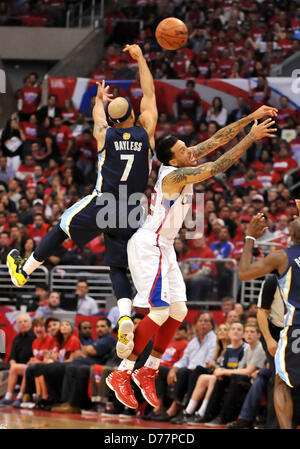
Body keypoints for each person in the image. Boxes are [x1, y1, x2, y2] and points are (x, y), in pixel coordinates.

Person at [105, 105, 277, 411]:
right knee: (159, 311)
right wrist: (251, 137)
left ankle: (149, 369)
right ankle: (121, 373)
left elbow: (217, 140)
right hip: (149, 244)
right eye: (185, 150)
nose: (191, 151)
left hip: (165, 246)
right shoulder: (175, 176)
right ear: (174, 159)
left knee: (180, 311)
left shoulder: (180, 161)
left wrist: (250, 118)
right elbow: (219, 164)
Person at [7, 43, 158, 361]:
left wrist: (101, 101)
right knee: (117, 266)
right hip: (133, 208)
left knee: (62, 224)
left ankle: (25, 270)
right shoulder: (147, 131)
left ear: (112, 120)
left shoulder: (106, 133)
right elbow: (150, 92)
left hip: (105, 202)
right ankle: (126, 315)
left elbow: (96, 118)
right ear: (133, 114)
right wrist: (142, 59)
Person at [237, 208, 300, 429]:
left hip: (295, 329)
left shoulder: (282, 256)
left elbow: (243, 272)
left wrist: (250, 237)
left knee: (282, 383)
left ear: (291, 236)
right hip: (285, 328)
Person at [203, 323, 266, 427]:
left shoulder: (259, 348)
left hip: (258, 380)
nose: (249, 334)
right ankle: (208, 415)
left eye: (252, 332)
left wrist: (223, 371)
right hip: (249, 377)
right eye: (247, 332)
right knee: (222, 378)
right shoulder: (248, 348)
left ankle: (224, 417)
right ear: (244, 335)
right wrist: (223, 372)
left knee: (234, 378)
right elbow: (240, 369)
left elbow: (248, 371)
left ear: (258, 335)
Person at [0, 314, 35, 406]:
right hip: (17, 367)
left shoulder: (35, 336)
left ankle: (18, 397)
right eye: (20, 322)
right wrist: (13, 363)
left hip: (31, 365)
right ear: (17, 325)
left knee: (20, 368)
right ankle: (9, 397)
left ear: (30, 324)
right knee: (13, 368)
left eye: (25, 321)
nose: (23, 324)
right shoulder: (16, 339)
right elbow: (12, 356)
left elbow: (36, 354)